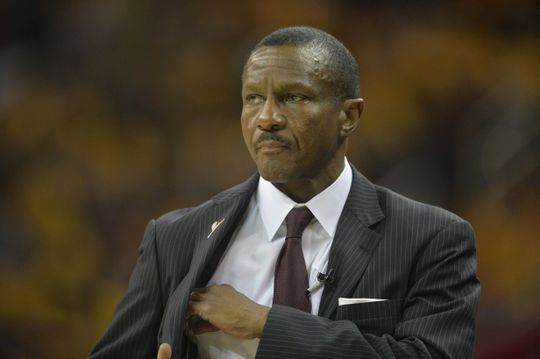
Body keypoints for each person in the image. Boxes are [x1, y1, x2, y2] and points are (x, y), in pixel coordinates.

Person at [90, 26, 480, 359]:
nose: (267, 118)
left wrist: (264, 322)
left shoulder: (430, 238)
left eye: (294, 97)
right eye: (253, 98)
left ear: (349, 115)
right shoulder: (175, 239)